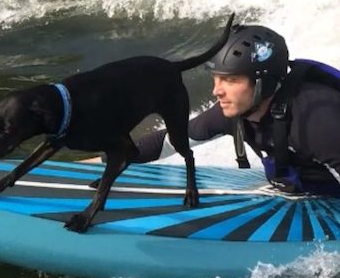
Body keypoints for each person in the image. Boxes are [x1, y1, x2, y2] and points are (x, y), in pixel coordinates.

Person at [85, 23, 340, 196]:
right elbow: (167, 142)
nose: (217, 91)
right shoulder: (235, 112)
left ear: (264, 83)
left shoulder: (318, 122)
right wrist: (94, 163)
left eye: (230, 81)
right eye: (216, 79)